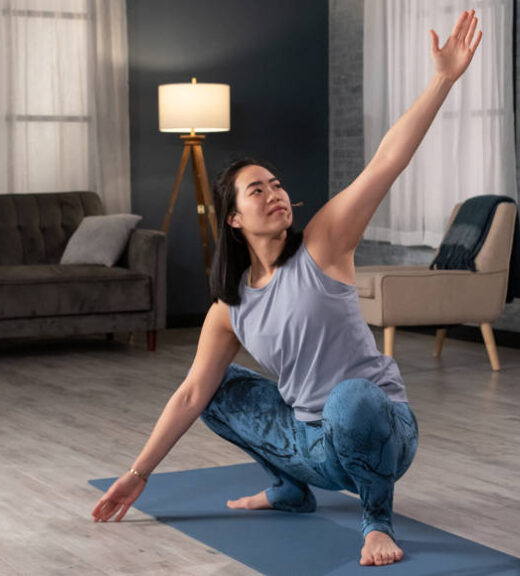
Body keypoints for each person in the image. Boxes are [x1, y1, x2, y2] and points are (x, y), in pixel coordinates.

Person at [92, 10, 482, 567]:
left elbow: (386, 162)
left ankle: (376, 520)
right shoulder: (230, 307)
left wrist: (442, 79)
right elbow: (187, 397)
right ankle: (289, 489)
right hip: (313, 445)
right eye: (256, 190)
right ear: (232, 219)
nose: (274, 193)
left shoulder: (324, 243)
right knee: (215, 389)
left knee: (350, 397)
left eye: (276, 184)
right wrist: (138, 475)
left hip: (381, 428)